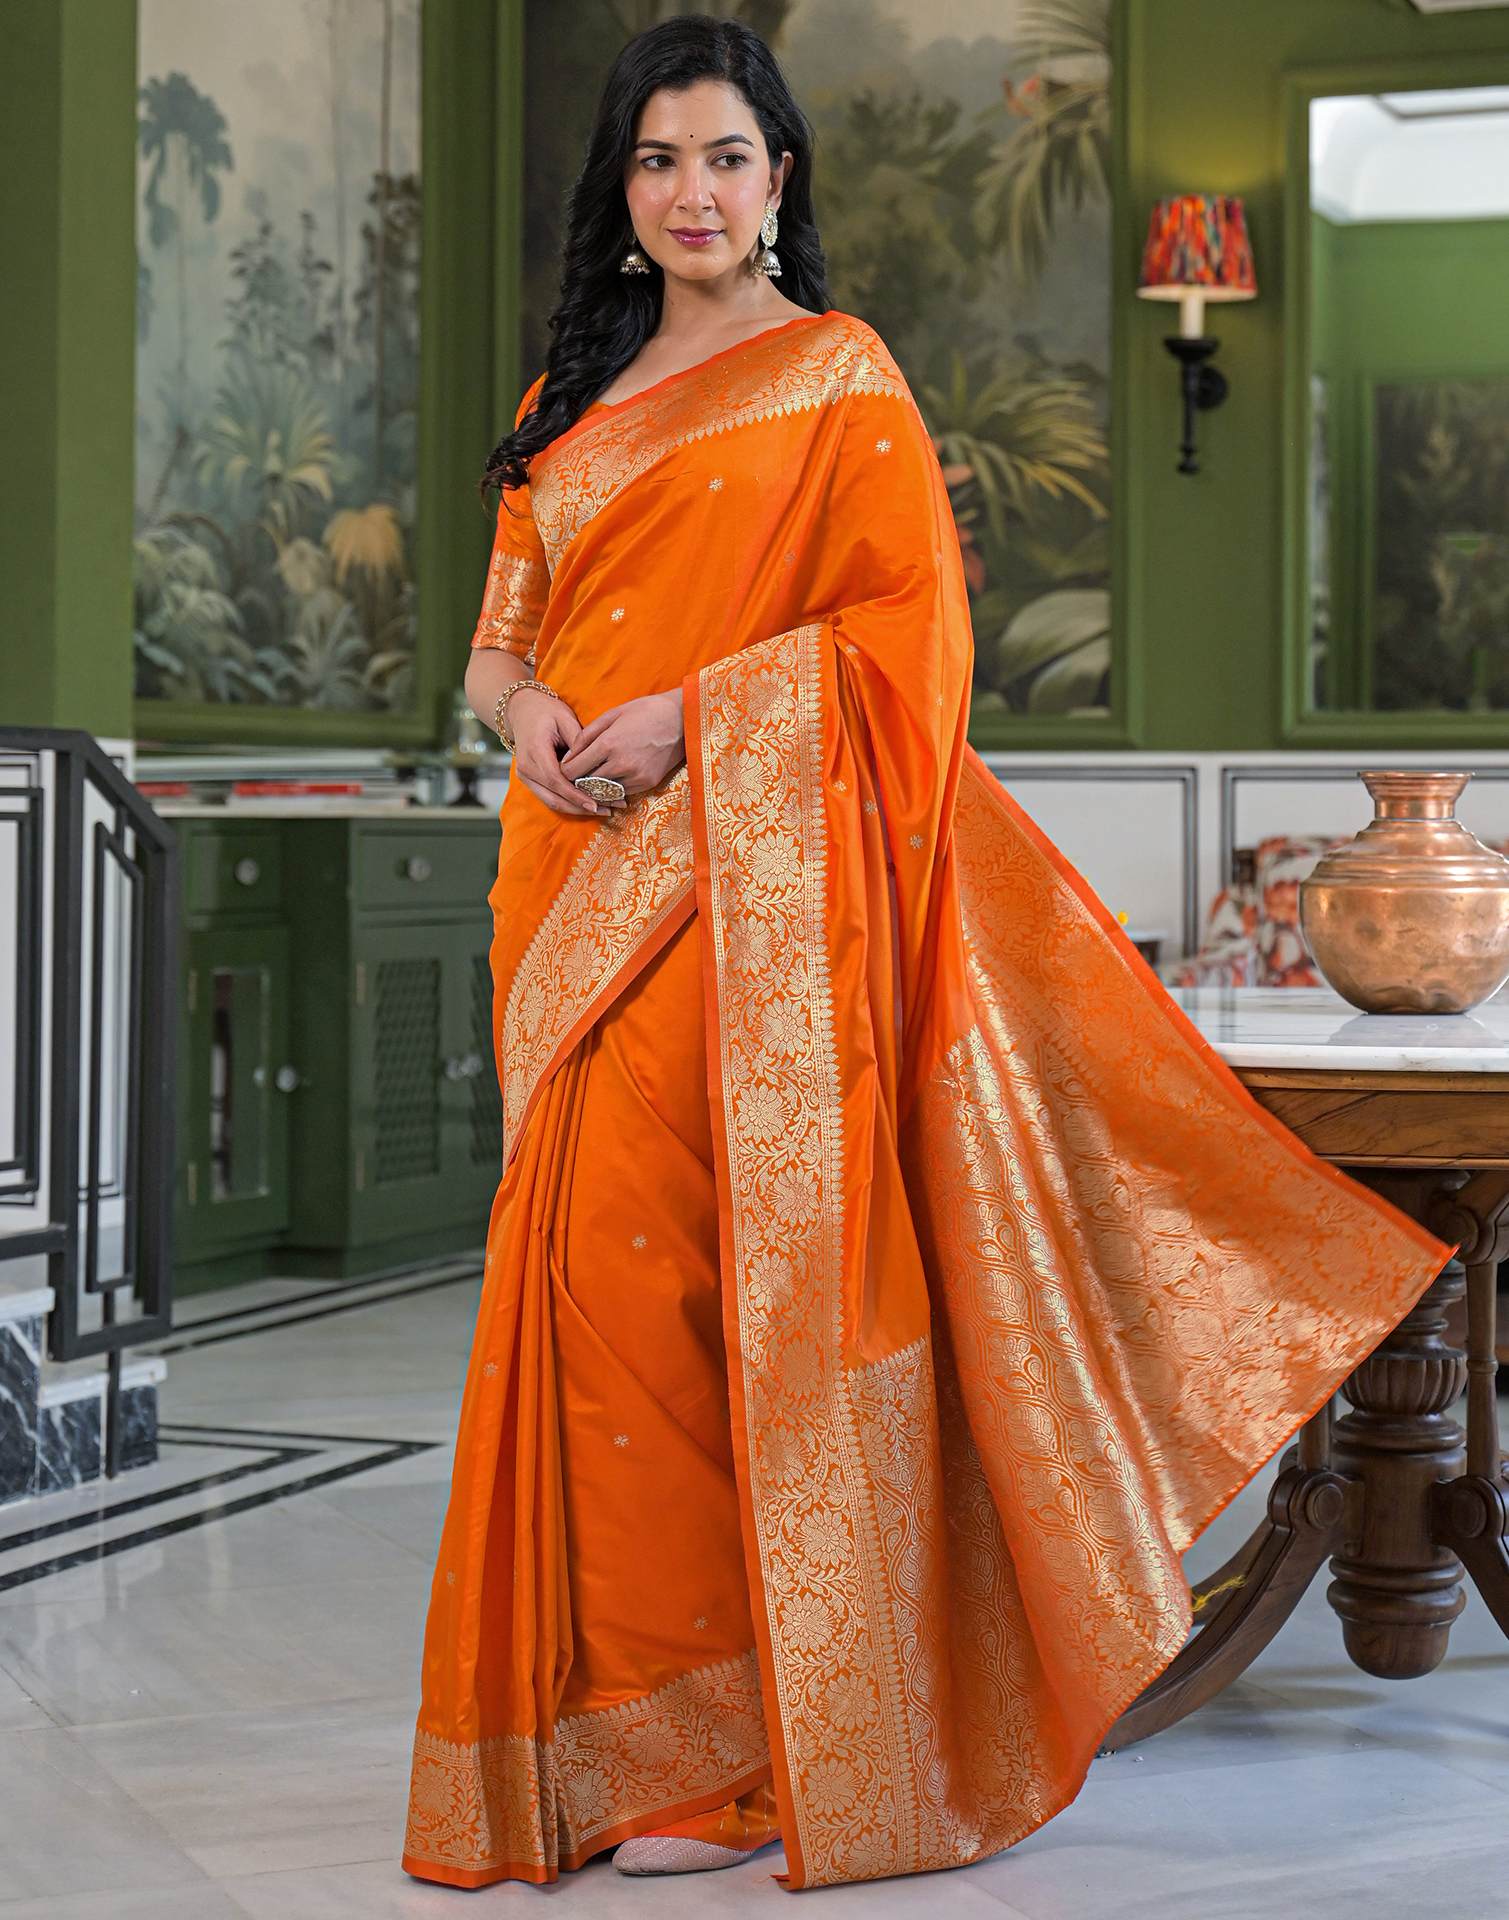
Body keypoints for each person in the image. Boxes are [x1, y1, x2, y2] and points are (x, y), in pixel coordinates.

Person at [401, 13, 1451, 1894]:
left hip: (747, 894)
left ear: (778, 178)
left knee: (710, 1292)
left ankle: (735, 1756)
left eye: (724, 156)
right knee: (588, 1297)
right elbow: (495, 638)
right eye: (655, 162)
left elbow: (908, 652)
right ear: (619, 196)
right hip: (566, 883)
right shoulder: (571, 397)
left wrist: (692, 724)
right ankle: (621, 1736)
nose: (691, 192)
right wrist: (530, 712)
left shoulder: (836, 378)